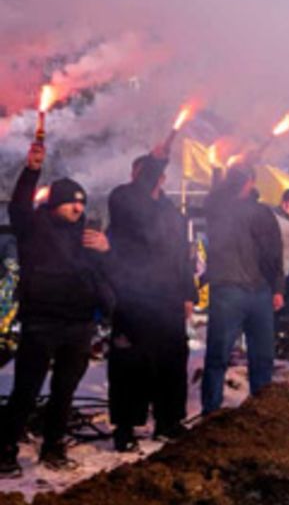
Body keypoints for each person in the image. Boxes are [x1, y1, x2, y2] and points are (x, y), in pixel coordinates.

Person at [1, 144, 112, 474]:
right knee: (26, 390)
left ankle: (54, 446)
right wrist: (32, 170)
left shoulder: (88, 237)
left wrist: (107, 251)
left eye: (81, 202)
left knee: (64, 391)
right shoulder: (35, 227)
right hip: (41, 323)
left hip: (77, 326)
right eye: (71, 202)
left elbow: (106, 276)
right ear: (55, 204)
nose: (78, 208)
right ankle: (6, 449)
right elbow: (19, 207)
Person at [106, 153, 194, 451]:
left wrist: (188, 294)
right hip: (133, 296)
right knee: (130, 362)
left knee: (172, 360)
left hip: (168, 298)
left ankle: (169, 421)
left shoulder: (172, 213)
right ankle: (126, 427)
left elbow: (184, 257)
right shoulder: (123, 201)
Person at [202, 167, 285, 413]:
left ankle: (260, 410)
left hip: (257, 290)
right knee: (218, 354)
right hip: (228, 289)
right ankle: (211, 410)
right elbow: (213, 199)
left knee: (262, 357)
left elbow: (274, 253)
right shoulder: (218, 208)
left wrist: (277, 288)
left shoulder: (261, 212)